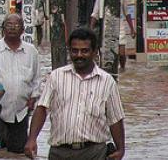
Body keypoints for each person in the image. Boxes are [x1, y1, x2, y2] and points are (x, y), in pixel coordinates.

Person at [24, 27, 126, 160]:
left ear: (94, 52)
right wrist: (32, 139)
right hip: (60, 152)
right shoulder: (56, 77)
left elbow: (115, 119)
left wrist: (121, 149)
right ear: (70, 51)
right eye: (75, 51)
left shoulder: (107, 81)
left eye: (85, 51)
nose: (79, 55)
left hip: (94, 152)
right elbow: (42, 108)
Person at [0, 14, 40, 154]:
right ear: (3, 28)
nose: (13, 28)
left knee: (18, 152)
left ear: (23, 30)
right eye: (9, 24)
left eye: (17, 25)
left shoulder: (31, 51)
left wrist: (33, 99)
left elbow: (36, 80)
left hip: (21, 112)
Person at [90, 0, 136, 70]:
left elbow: (127, 14)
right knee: (106, 52)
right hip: (106, 28)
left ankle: (122, 68)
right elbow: (95, 14)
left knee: (122, 53)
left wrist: (132, 29)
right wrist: (90, 29)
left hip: (120, 27)